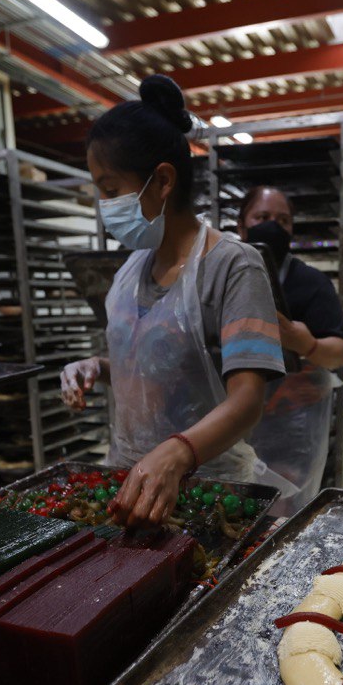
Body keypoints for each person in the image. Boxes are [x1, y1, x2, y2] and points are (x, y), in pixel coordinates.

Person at [60, 75, 290, 528]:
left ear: (162, 180)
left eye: (110, 189)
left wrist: (179, 452)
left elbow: (247, 400)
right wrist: (98, 367)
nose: (104, 205)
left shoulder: (232, 265)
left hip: (212, 497)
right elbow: (153, 371)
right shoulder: (130, 271)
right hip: (129, 486)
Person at [236, 186, 343, 514]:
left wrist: (307, 344)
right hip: (226, 418)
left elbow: (341, 351)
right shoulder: (221, 274)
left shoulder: (311, 284)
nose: (273, 225)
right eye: (262, 217)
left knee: (282, 515)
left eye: (283, 220)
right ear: (241, 225)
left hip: (289, 430)